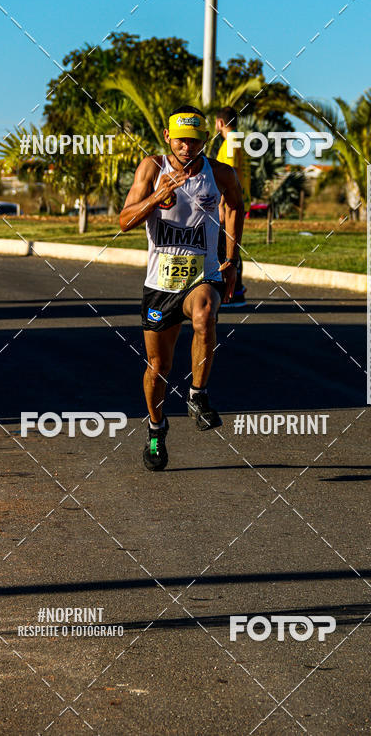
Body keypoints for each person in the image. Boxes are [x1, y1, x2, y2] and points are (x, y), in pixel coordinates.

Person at [120, 105, 245, 471]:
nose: (186, 149)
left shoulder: (219, 173)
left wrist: (231, 259)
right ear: (167, 137)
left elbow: (236, 206)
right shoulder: (151, 168)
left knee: (206, 314)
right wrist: (155, 198)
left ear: (204, 140)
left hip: (200, 276)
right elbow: (125, 220)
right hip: (160, 285)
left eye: (193, 141)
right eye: (180, 141)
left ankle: (198, 395)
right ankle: (156, 430)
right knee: (158, 366)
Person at [215, 106, 251, 307]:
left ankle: (233, 292)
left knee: (226, 245)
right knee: (231, 242)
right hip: (236, 199)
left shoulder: (231, 142)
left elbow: (230, 174)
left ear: (220, 123)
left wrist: (221, 203)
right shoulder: (239, 141)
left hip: (230, 202)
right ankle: (236, 291)